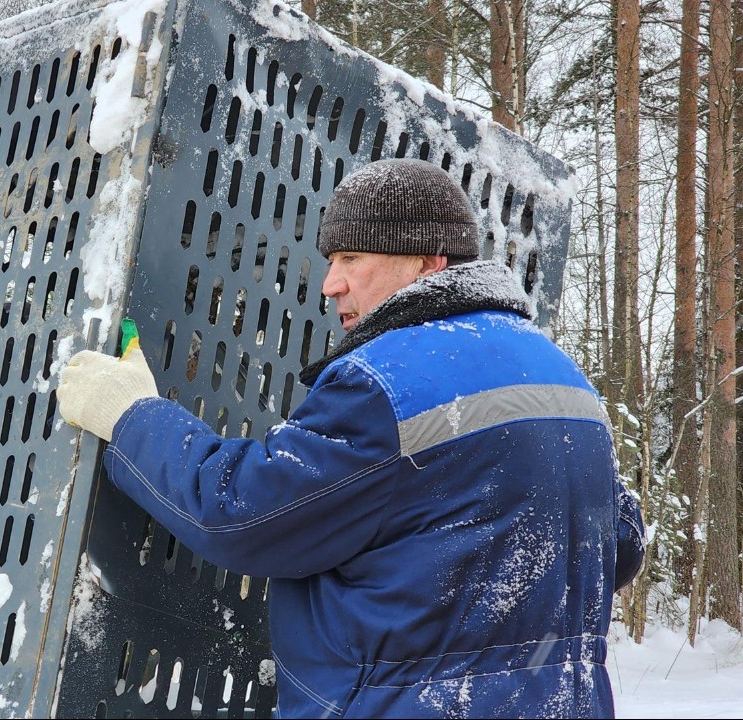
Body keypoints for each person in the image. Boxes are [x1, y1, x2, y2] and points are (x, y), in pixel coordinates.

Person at [57, 158, 646, 718]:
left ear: (426, 263)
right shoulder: (566, 378)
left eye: (351, 257)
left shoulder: (388, 382)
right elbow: (622, 546)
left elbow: (241, 512)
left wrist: (130, 415)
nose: (330, 284)